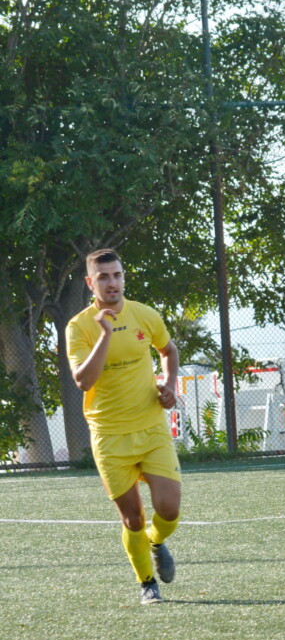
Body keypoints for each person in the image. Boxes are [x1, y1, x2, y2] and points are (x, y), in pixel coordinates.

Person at [65, 249, 182, 605]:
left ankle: (156, 541)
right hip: (109, 436)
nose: (112, 282)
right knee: (133, 519)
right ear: (90, 282)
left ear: (123, 277)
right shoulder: (78, 327)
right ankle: (147, 584)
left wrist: (170, 385)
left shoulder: (145, 315)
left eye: (116, 275)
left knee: (169, 509)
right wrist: (105, 334)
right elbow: (83, 381)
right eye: (103, 277)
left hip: (151, 427)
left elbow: (169, 350)